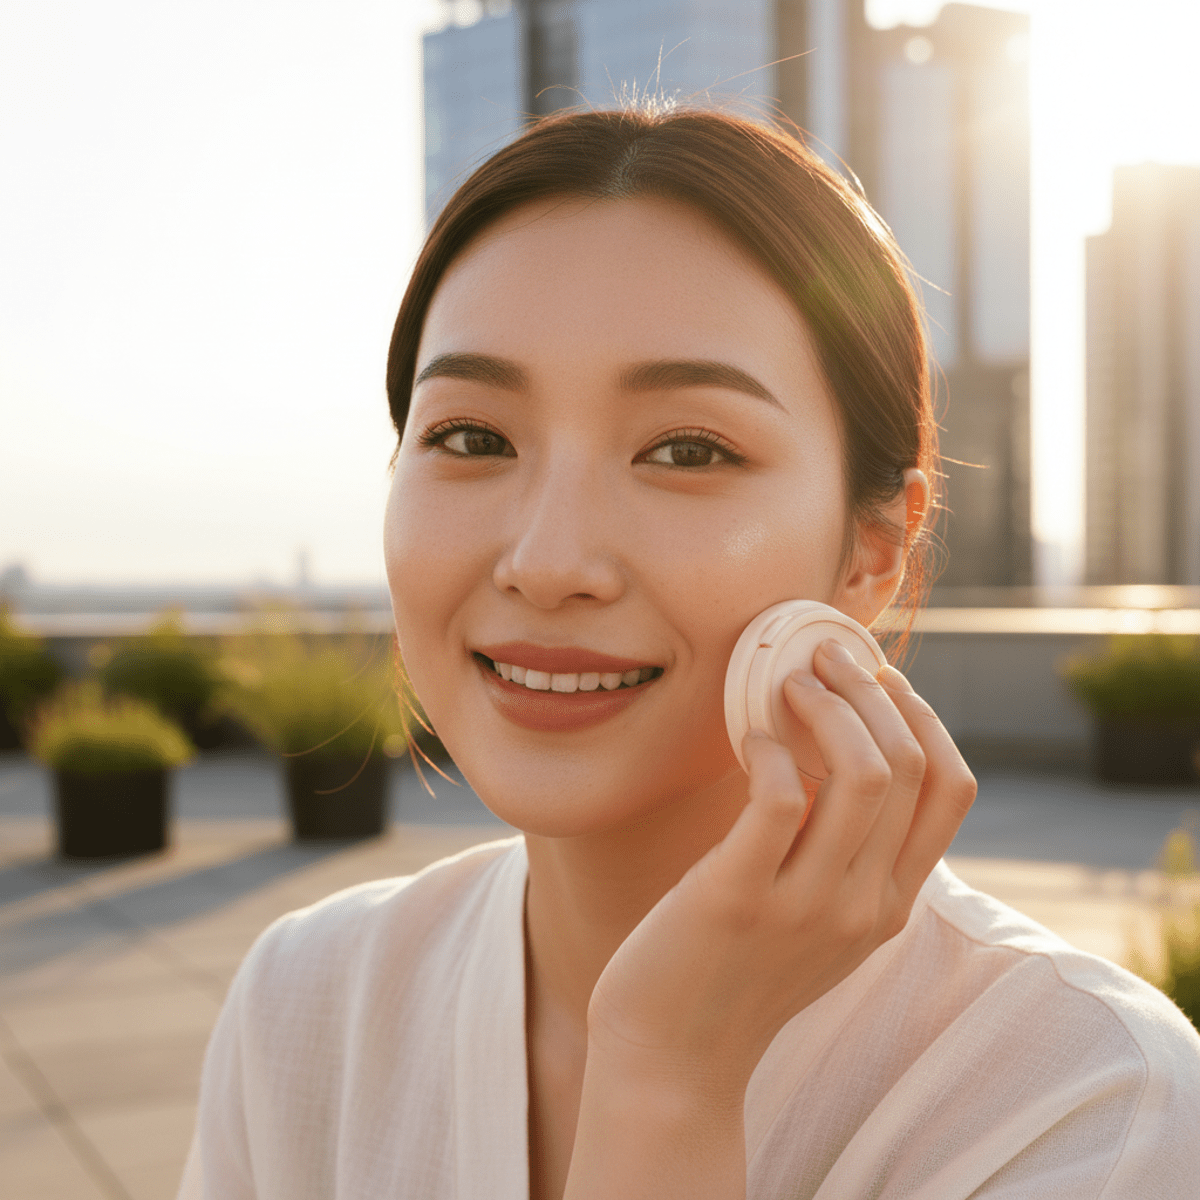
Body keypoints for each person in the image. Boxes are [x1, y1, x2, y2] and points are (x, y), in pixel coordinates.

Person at [178, 107, 1200, 1200]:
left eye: (688, 449)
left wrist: (667, 1086)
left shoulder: (1086, 1105)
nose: (547, 560)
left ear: (872, 548)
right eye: (472, 438)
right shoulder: (309, 1000)